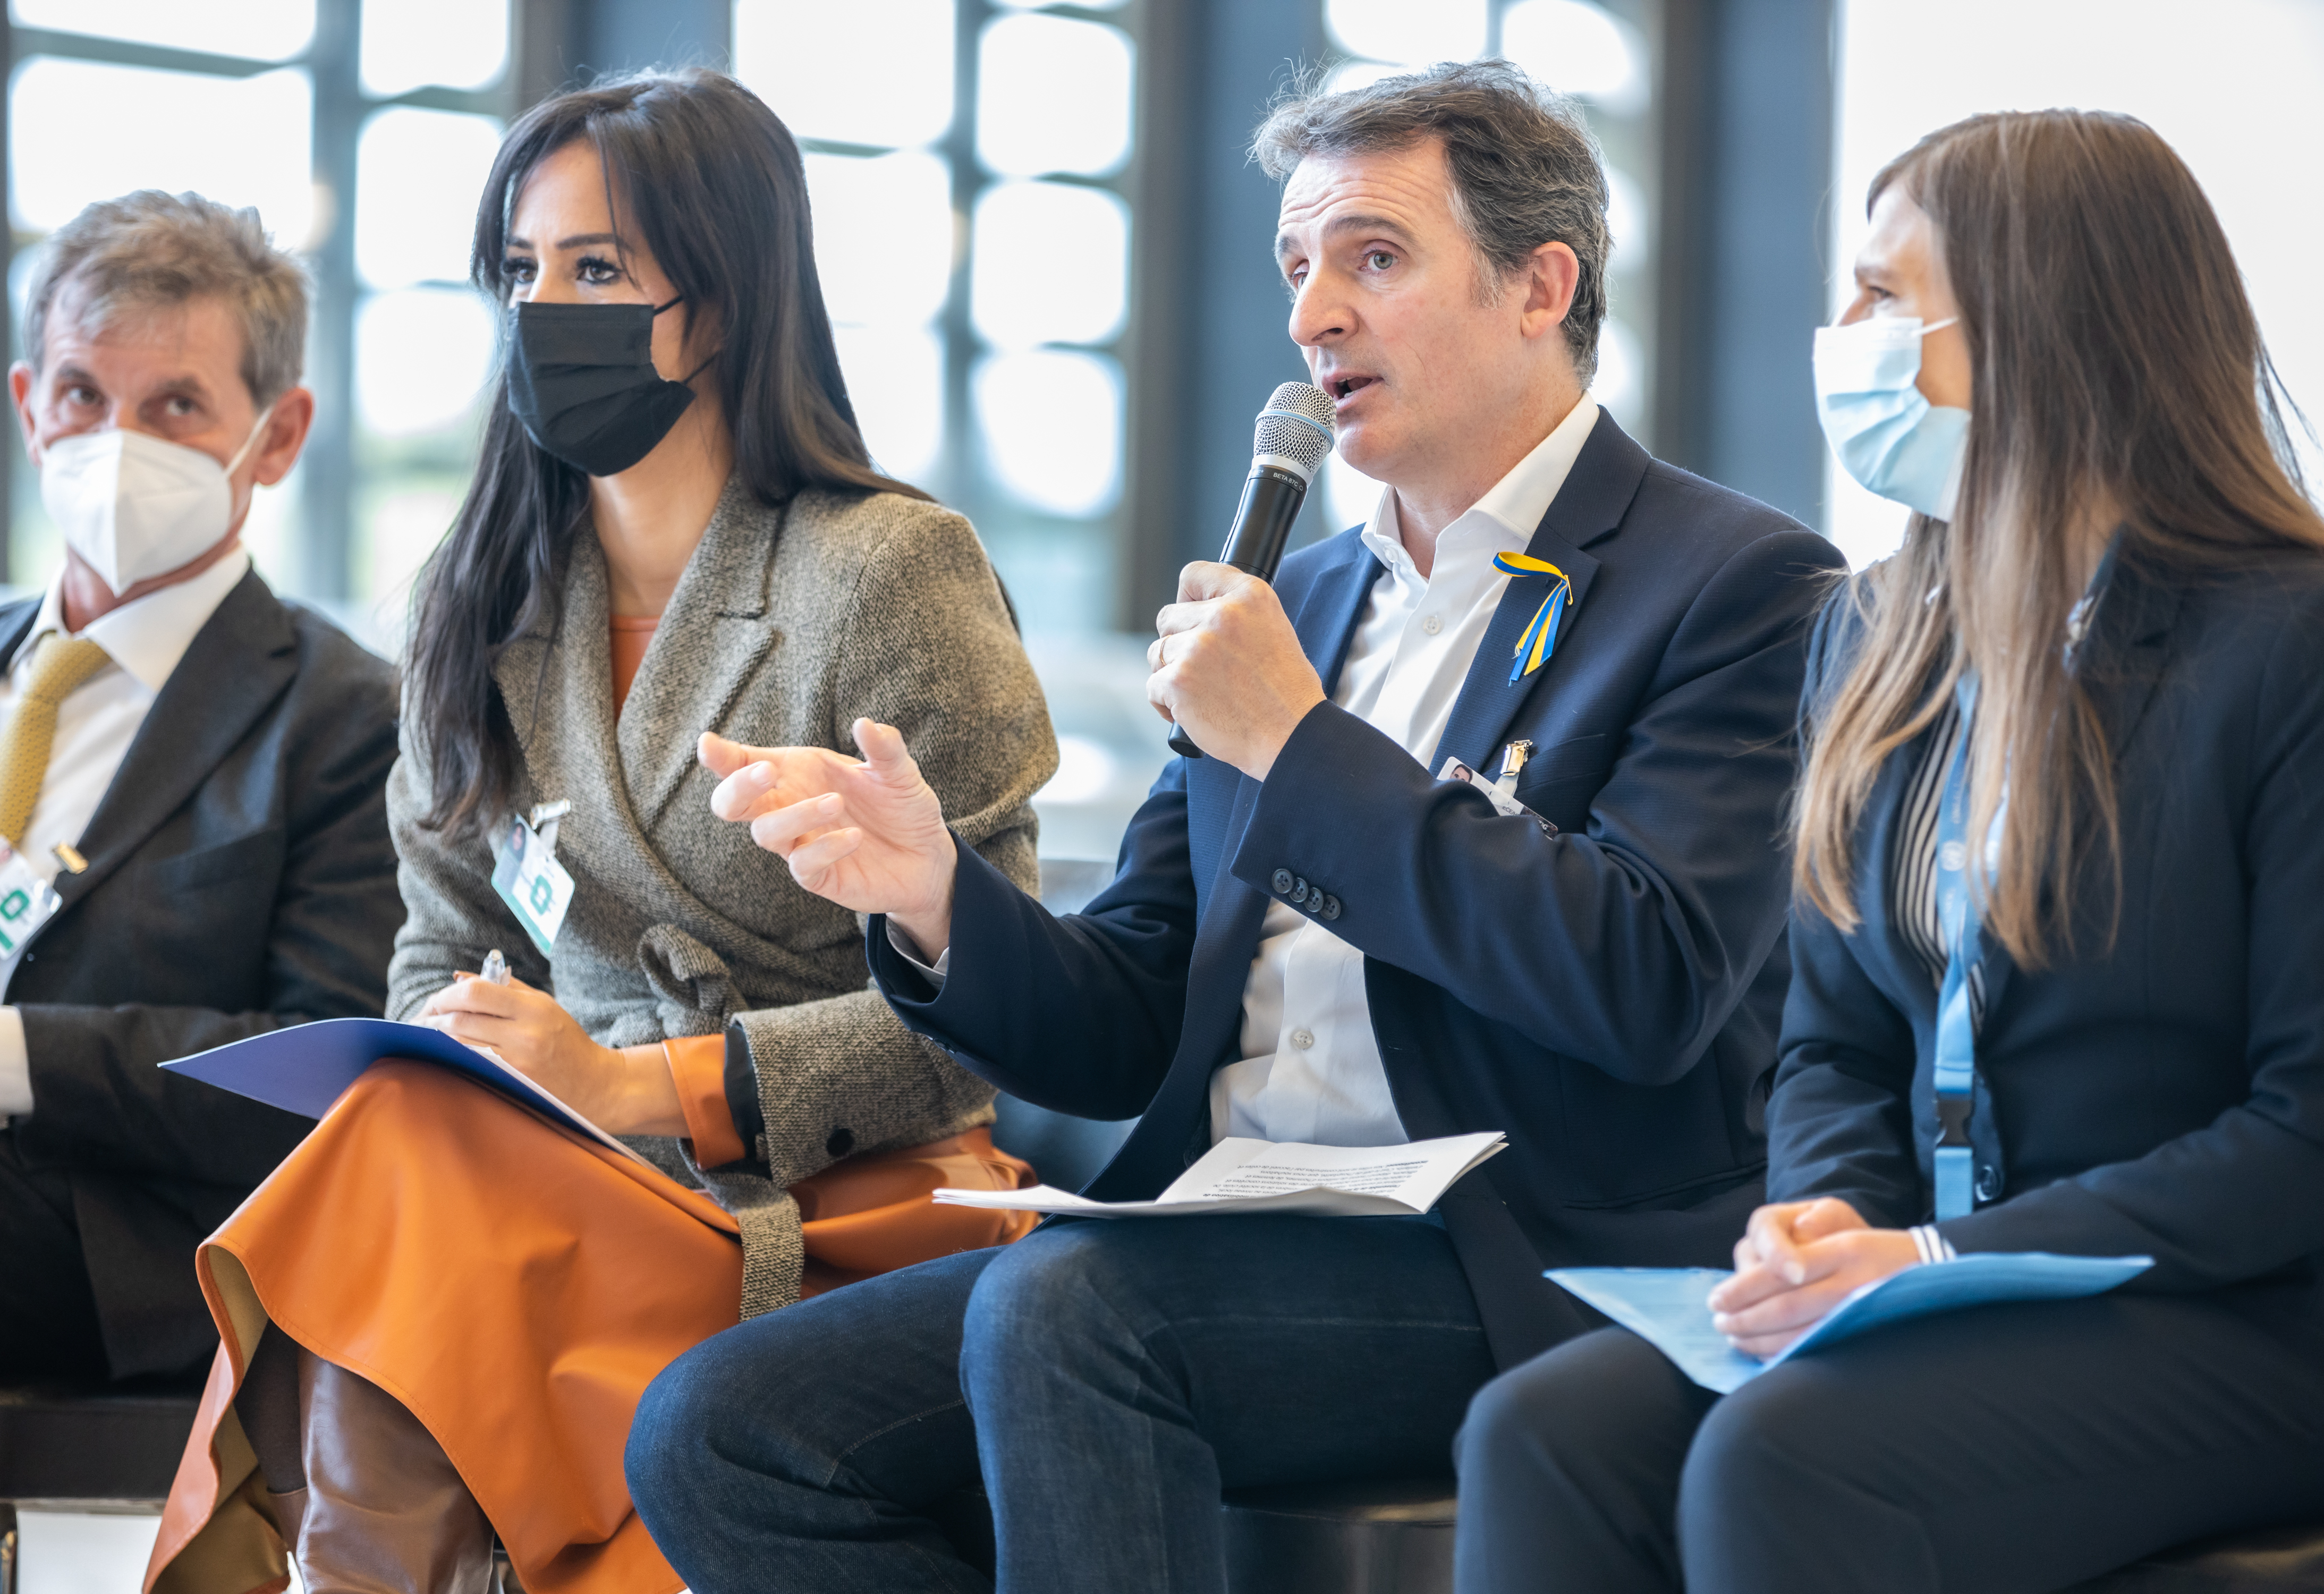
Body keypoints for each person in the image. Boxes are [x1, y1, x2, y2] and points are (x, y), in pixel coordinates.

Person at [625, 61, 1844, 1593]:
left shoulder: (1737, 585)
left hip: (1517, 1251)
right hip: (1220, 1223)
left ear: (1542, 286)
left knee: (1073, 1312)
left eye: (1373, 258)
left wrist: (1297, 744)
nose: (1313, 315)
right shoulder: (1299, 604)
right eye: (1296, 268)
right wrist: (932, 897)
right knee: (721, 1428)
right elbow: (1133, 1016)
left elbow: (1644, 983)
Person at [143, 71, 1057, 1594]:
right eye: (519, 272)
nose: (541, 313)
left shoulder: (887, 570)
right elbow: (440, 941)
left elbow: (989, 1019)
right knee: (400, 1136)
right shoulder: (484, 594)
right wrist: (476, 1047)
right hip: (561, 1190)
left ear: (720, 299)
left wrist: (630, 1085)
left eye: (594, 271)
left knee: (391, 1192)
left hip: (832, 1216)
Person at [1449, 109, 2324, 1594]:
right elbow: (1836, 1044)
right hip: (1932, 1287)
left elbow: (2302, 1134)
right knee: (1542, 1431)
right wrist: (1835, 1215)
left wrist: (1934, 1265)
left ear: (2045, 323)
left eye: (1880, 296)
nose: (1842, 339)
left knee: (1786, 1456)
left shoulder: (2285, 641)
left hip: (2233, 1303)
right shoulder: (1874, 630)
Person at [0, 191, 400, 1388]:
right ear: (29, 408)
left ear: (278, 438)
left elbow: (323, 1069)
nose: (116, 442)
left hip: (111, 1227)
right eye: (84, 394)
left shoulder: (347, 719)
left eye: (176, 406)